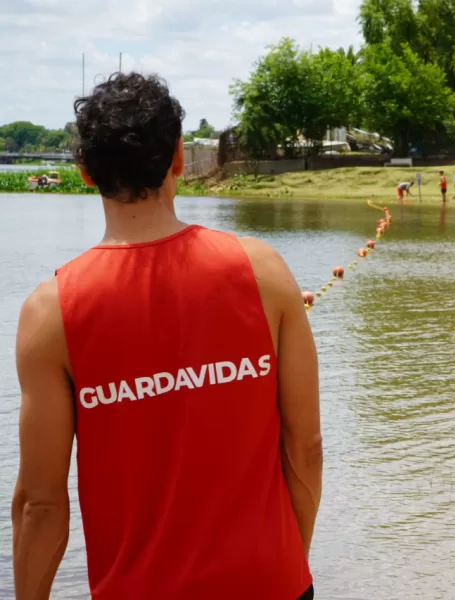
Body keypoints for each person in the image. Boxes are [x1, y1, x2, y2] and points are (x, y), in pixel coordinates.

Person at [12, 73, 322, 600]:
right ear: (179, 157)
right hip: (273, 583)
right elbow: (305, 447)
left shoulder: (51, 313)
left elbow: (40, 504)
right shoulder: (263, 272)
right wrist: (289, 562)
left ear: (85, 172)